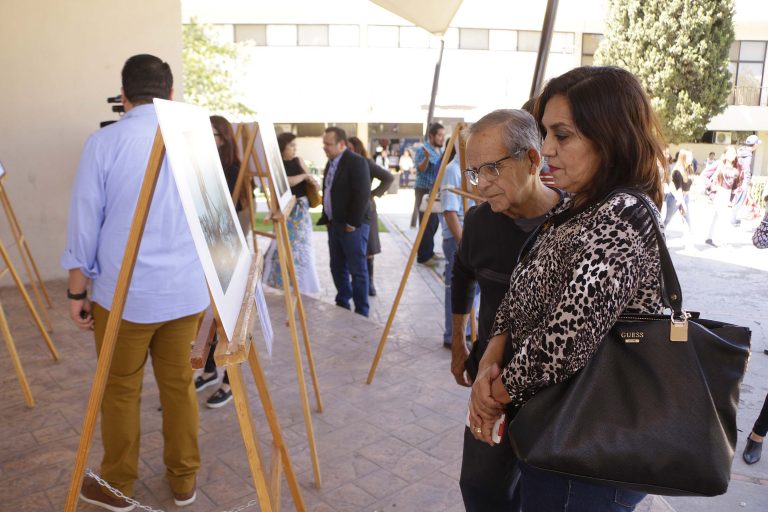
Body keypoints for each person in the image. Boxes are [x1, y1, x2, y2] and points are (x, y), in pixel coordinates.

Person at [469, 66, 666, 511]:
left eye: (563, 135)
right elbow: (519, 294)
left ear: (609, 136)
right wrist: (489, 359)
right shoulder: (575, 208)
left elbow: (563, 342)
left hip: (591, 452)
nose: (547, 149)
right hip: (557, 435)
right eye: (545, 133)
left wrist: (492, 399)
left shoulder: (621, 214)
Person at [61, 54, 208, 510]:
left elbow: (85, 221)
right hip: (185, 292)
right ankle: (184, 481)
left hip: (124, 297)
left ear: (123, 96)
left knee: (120, 390)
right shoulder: (194, 140)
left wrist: (76, 290)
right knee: (179, 386)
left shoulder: (105, 142)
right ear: (169, 94)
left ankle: (118, 484)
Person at [451, 109, 563, 510]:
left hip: (554, 392)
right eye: (474, 172)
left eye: (491, 169)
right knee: (481, 487)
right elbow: (461, 274)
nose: (481, 185)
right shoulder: (480, 223)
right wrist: (460, 342)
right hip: (489, 378)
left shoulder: (571, 227)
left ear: (533, 159)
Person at [317, 127, 371, 316]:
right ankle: (342, 302)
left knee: (357, 270)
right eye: (324, 143)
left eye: (328, 144)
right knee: (337, 266)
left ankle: (361, 311)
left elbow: (362, 194)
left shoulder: (357, 162)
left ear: (342, 144)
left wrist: (353, 223)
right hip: (334, 224)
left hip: (352, 227)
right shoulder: (331, 162)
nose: (324, 147)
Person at [263, 132, 321, 294]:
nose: (295, 148)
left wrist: (313, 183)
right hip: (287, 208)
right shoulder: (276, 165)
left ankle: (301, 282)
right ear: (283, 147)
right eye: (291, 145)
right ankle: (279, 281)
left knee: (302, 246)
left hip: (301, 209)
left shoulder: (298, 161)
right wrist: (304, 176)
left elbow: (309, 179)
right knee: (283, 245)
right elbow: (287, 181)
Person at [347, 136, 394, 297]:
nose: (347, 151)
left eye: (350, 148)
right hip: (350, 210)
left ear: (357, 148)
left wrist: (373, 194)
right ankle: (357, 282)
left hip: (367, 210)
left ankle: (370, 283)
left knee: (368, 249)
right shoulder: (344, 164)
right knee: (352, 247)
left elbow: (388, 177)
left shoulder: (366, 162)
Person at [439, 144, 475, 349]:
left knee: (472, 289)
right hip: (457, 238)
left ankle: (468, 331)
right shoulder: (453, 170)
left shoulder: (467, 169)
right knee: (457, 288)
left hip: (465, 237)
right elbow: (450, 212)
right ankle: (453, 335)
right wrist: (464, 243)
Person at [413, 123, 446, 263]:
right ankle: (423, 256)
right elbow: (420, 168)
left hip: (434, 191)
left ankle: (429, 251)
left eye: (443, 136)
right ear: (431, 136)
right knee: (426, 224)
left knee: (433, 224)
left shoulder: (438, 150)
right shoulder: (423, 149)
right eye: (439, 135)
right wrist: (426, 158)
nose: (442, 138)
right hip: (424, 191)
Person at [705, 146, 741, 247]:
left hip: (727, 194)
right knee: (723, 217)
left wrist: (735, 192)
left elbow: (736, 183)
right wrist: (711, 187)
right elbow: (705, 174)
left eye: (734, 153)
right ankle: (720, 240)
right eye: (730, 152)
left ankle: (710, 238)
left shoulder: (736, 167)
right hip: (719, 192)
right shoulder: (719, 164)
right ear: (725, 154)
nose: (733, 155)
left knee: (717, 216)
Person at [732, 135, 761, 226]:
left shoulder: (741, 150)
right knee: (739, 200)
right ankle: (733, 220)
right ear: (755, 145)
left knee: (736, 198)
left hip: (736, 178)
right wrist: (748, 181)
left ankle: (733, 218)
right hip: (743, 180)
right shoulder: (748, 154)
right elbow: (746, 169)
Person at [663, 148, 693, 231]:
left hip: (685, 196)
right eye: (689, 156)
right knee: (668, 219)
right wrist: (683, 204)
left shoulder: (689, 169)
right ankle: (659, 235)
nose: (691, 158)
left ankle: (690, 235)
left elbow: (688, 185)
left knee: (688, 219)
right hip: (675, 197)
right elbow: (678, 189)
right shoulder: (677, 171)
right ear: (683, 158)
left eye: (691, 156)